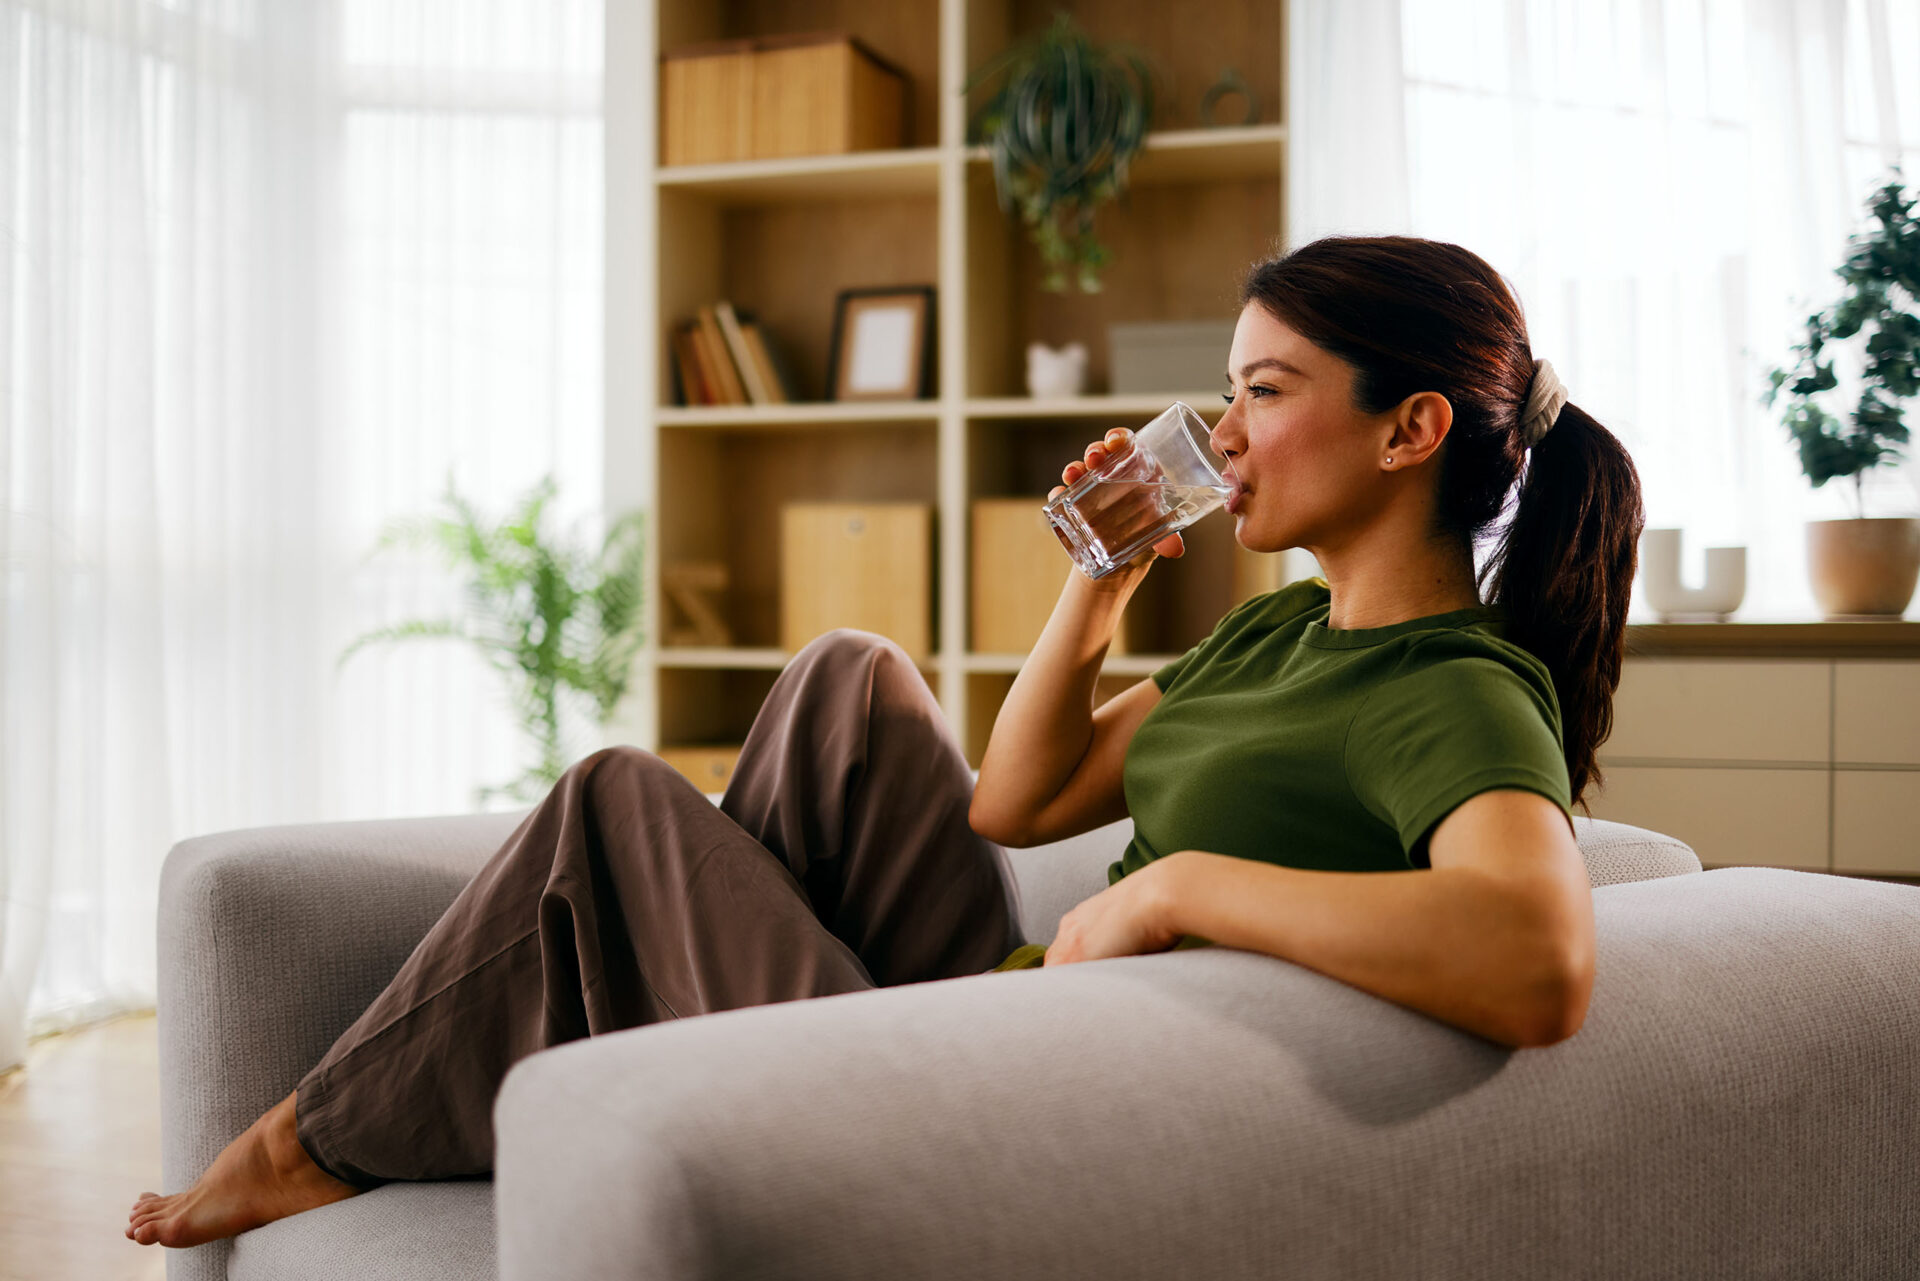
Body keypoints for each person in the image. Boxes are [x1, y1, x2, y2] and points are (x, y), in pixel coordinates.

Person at [128, 233, 1644, 1249]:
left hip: (1030, 1077)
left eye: (1263, 393)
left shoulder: (1454, 686)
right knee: (852, 674)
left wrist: (1183, 891)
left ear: (1413, 431)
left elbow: (1538, 955)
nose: (1223, 434)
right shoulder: (1278, 632)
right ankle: (645, 1056)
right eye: (1229, 394)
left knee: (616, 806)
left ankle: (314, 1137)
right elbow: (1014, 800)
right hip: (1001, 1005)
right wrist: (1094, 585)